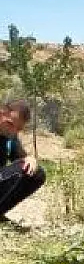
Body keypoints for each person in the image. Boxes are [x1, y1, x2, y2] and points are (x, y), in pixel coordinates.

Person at [0, 99, 46, 231]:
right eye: (10, 124)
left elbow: (21, 157)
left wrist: (31, 158)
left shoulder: (9, 136)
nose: (13, 131)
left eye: (18, 129)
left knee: (36, 174)